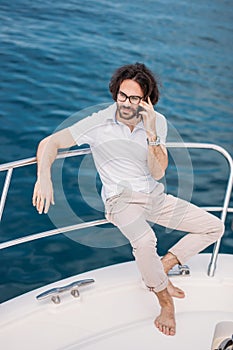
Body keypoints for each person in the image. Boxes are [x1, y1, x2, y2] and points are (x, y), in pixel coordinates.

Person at [32, 63, 224, 336]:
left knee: (213, 227)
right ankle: (164, 301)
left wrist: (151, 133)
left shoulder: (157, 123)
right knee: (145, 241)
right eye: (122, 95)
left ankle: (164, 267)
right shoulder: (98, 121)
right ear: (116, 93)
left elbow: (158, 172)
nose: (125, 103)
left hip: (154, 196)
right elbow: (49, 143)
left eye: (134, 98)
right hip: (119, 200)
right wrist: (44, 177)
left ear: (146, 100)